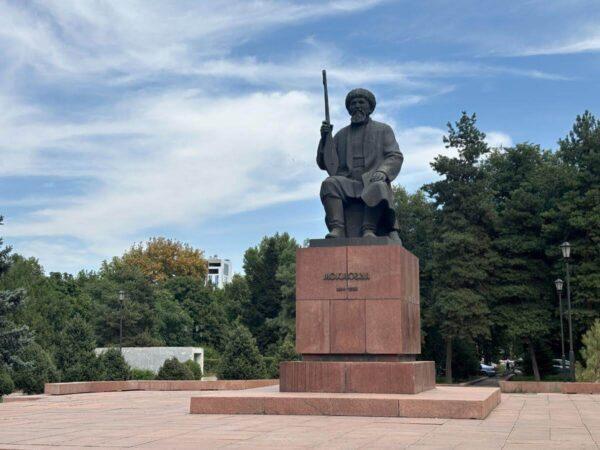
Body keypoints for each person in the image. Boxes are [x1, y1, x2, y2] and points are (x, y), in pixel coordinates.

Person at [317, 88, 403, 239]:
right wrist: (325, 139)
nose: (357, 106)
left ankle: (369, 229)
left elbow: (394, 156)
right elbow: (325, 164)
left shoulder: (383, 130)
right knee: (329, 183)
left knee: (379, 186)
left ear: (370, 107)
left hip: (371, 180)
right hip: (348, 181)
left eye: (361, 102)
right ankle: (338, 228)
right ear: (349, 109)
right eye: (353, 103)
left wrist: (383, 172)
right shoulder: (340, 135)